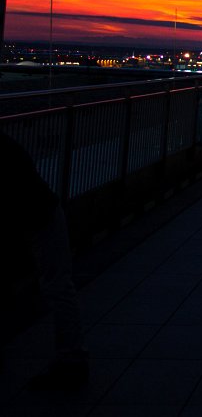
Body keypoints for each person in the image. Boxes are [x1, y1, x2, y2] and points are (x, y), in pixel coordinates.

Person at [0, 132, 88, 391]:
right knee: (58, 285)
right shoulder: (7, 146)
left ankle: (72, 359)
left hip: (38, 221)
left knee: (57, 286)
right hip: (40, 217)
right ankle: (72, 358)